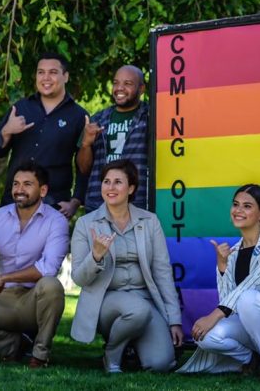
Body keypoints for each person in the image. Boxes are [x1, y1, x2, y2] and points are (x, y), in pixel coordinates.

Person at [177, 184, 260, 382]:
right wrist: (223, 266)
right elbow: (229, 303)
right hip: (248, 326)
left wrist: (214, 314)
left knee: (249, 298)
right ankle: (251, 359)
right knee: (206, 336)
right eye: (235, 204)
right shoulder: (233, 251)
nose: (238, 210)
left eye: (247, 206)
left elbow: (257, 281)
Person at [70, 159, 183, 373]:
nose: (110, 188)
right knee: (137, 310)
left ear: (130, 188)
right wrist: (95, 256)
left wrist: (174, 320)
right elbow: (78, 278)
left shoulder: (150, 221)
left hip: (144, 300)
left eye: (117, 182)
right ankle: (112, 354)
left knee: (162, 364)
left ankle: (130, 345)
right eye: (106, 182)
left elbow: (162, 273)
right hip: (106, 301)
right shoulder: (86, 224)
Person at [0, 162, 69, 368]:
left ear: (42, 190)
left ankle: (40, 354)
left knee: (51, 284)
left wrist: (5, 277)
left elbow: (48, 268)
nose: (19, 189)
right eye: (16, 184)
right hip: (4, 298)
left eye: (27, 184)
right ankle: (15, 345)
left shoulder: (56, 221)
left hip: (35, 300)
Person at [0, 52, 87, 216]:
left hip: (54, 205)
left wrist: (75, 202)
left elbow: (84, 166)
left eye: (53, 72)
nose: (46, 78)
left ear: (66, 76)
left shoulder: (79, 116)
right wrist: (7, 131)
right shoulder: (20, 108)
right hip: (13, 201)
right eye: (41, 72)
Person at [77, 65, 149, 212]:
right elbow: (84, 169)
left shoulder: (151, 117)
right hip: (99, 205)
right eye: (116, 83)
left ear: (141, 89)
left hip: (137, 205)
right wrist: (86, 144)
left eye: (127, 83)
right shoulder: (97, 119)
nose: (119, 88)